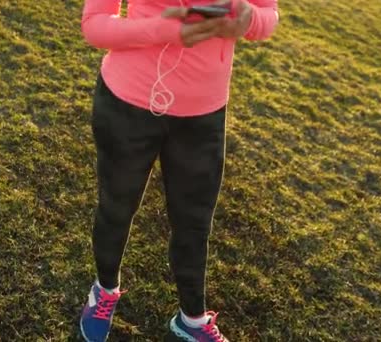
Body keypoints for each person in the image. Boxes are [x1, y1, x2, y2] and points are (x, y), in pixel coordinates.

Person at [78, 0, 278, 340]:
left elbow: (268, 15)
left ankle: (192, 320)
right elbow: (95, 24)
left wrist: (249, 19)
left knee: (194, 224)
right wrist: (164, 30)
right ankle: (105, 290)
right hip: (127, 103)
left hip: (203, 115)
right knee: (116, 208)